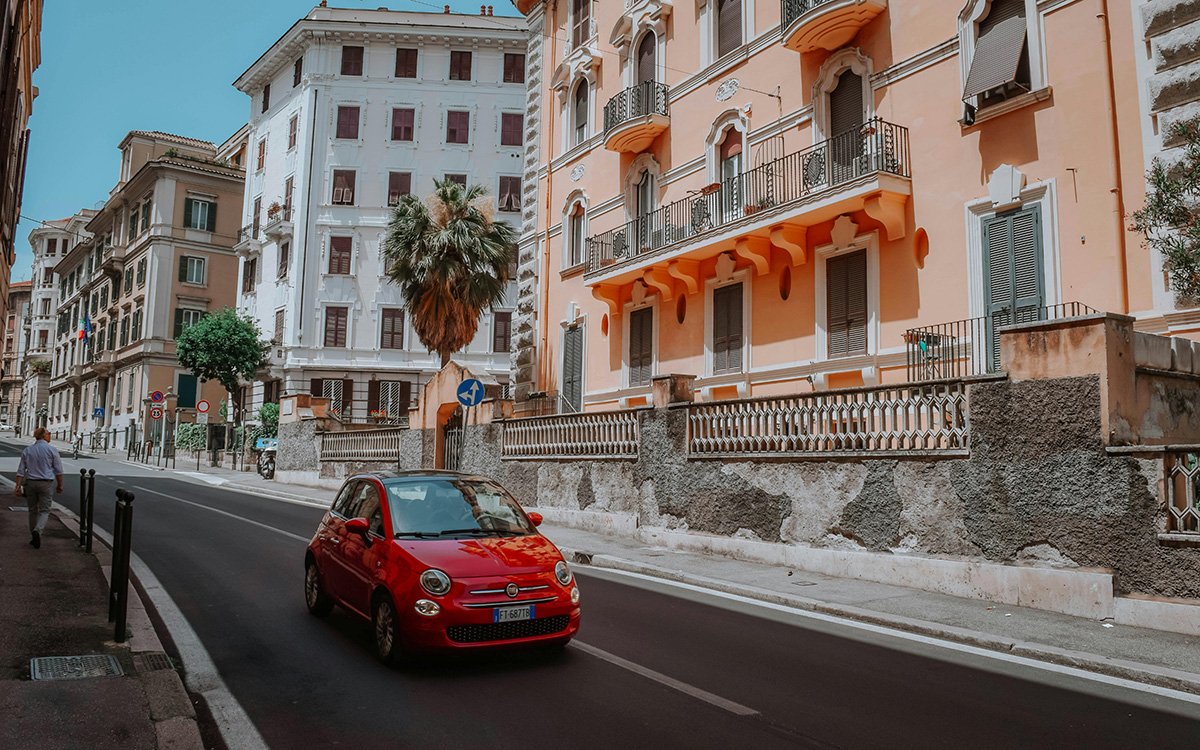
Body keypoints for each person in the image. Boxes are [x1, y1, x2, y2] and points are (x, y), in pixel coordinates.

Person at [13, 427, 64, 549]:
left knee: (32, 510)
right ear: (44, 436)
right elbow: (58, 470)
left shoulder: (28, 450)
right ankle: (38, 530)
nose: (50, 435)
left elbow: (21, 471)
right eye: (48, 434)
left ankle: (33, 537)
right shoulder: (52, 450)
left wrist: (17, 486)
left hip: (30, 483)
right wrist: (60, 485)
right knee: (45, 510)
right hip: (46, 483)